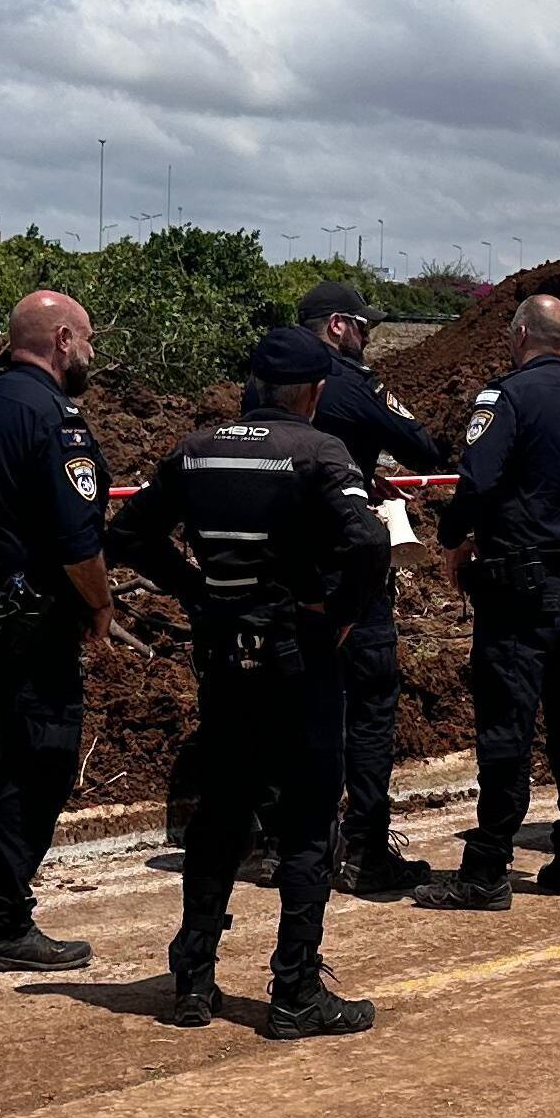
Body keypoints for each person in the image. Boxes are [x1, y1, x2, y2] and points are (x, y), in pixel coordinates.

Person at [105, 327, 388, 1038]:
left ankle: (193, 980)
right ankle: (294, 991)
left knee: (222, 812)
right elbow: (370, 540)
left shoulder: (196, 448)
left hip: (224, 659)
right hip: (298, 657)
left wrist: (198, 592)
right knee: (307, 819)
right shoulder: (321, 452)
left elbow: (129, 534)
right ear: (316, 392)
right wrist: (343, 614)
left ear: (256, 385)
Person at [0, 290, 115, 971]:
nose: (92, 354)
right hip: (28, 633)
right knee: (38, 767)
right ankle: (4, 924)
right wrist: (99, 605)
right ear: (63, 340)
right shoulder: (55, 420)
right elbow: (76, 542)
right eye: (89, 340)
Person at [428, 294, 560, 907]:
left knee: (506, 727)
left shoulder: (504, 398)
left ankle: (486, 870)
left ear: (519, 335)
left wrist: (452, 538)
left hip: (519, 589)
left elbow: (477, 481)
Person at [293, 278, 446, 895]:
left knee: (303, 709)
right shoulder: (352, 384)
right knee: (371, 706)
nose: (367, 340)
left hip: (285, 574)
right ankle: (366, 851)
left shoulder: (264, 384)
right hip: (346, 568)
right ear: (337, 326)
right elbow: (423, 447)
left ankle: (303, 843)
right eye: (364, 328)